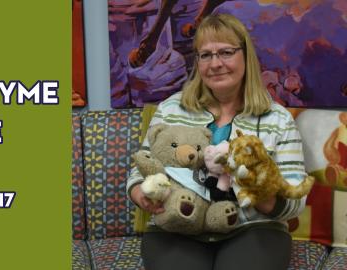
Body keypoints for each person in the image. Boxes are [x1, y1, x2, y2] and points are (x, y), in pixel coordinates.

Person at [126, 14, 308, 270]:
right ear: (197, 62)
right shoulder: (171, 109)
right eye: (206, 55)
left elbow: (295, 200)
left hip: (254, 229)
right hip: (178, 227)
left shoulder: (277, 119)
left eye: (226, 52)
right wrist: (142, 195)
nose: (215, 63)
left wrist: (260, 193)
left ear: (246, 56)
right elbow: (138, 173)